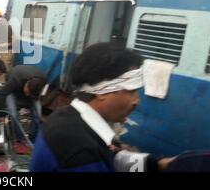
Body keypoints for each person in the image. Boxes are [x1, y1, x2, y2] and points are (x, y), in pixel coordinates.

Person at [30, 42, 174, 172]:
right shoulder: (81, 151)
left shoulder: (66, 117)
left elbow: (111, 158)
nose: (136, 101)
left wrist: (158, 164)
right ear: (101, 92)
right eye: (131, 91)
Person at [0, 65, 46, 143]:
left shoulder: (42, 80)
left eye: (30, 94)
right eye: (27, 92)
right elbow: (1, 94)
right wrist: (1, 115)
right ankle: (19, 138)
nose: (27, 95)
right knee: (13, 114)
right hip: (13, 89)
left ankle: (33, 138)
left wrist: (33, 98)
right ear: (27, 83)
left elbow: (37, 97)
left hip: (31, 81)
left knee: (37, 114)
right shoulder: (15, 80)